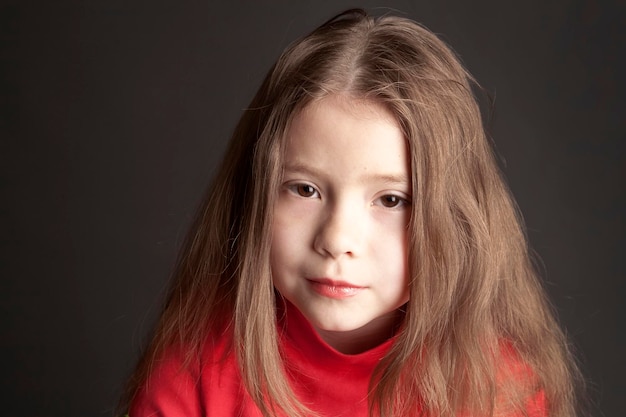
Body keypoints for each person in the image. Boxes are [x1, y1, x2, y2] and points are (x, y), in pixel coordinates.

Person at [123, 8, 582, 417]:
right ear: (253, 196)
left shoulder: (498, 393)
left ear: (458, 222)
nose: (337, 239)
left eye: (391, 199)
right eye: (305, 189)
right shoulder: (195, 374)